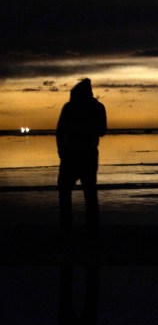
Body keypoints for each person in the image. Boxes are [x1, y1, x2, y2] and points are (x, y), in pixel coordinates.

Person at [57, 78, 107, 236]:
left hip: (74, 154)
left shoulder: (71, 107)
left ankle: (68, 227)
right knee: (89, 193)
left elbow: (60, 132)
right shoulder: (97, 107)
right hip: (84, 154)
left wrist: (61, 151)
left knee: (67, 191)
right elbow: (102, 131)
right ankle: (90, 228)